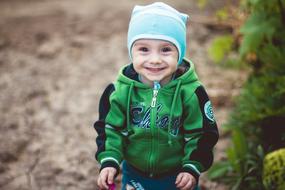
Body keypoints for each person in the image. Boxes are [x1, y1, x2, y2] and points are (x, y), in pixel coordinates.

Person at [94, 2, 219, 190]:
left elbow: (202, 134)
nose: (155, 59)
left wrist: (192, 167)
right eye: (144, 49)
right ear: (131, 51)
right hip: (135, 173)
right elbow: (111, 129)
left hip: (178, 175)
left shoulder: (191, 92)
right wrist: (109, 161)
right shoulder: (119, 91)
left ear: (180, 52)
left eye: (166, 49)